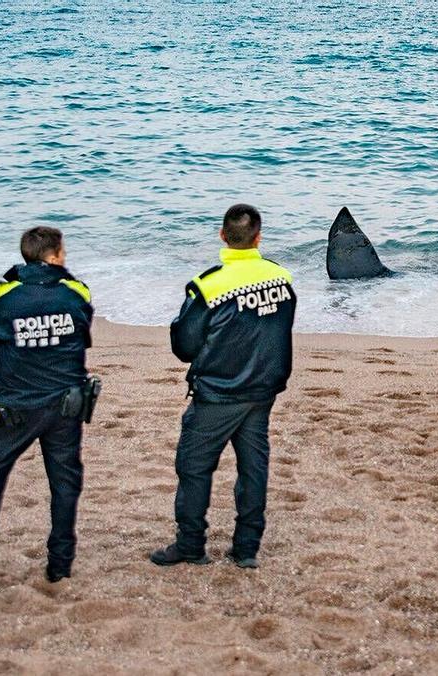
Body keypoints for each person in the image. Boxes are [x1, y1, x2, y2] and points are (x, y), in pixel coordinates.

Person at [0, 226, 93, 586]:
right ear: (55, 256)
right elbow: (83, 326)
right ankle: (60, 564)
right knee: (65, 485)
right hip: (63, 404)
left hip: (18, 405)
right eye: (62, 252)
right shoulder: (75, 291)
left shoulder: (3, 294)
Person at [151, 204, 296, 569]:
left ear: (222, 236)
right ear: (258, 238)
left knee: (193, 466)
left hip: (220, 392)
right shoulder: (281, 277)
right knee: (253, 467)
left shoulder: (209, 285)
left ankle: (190, 545)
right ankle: (246, 549)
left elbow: (184, 347)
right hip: (263, 389)